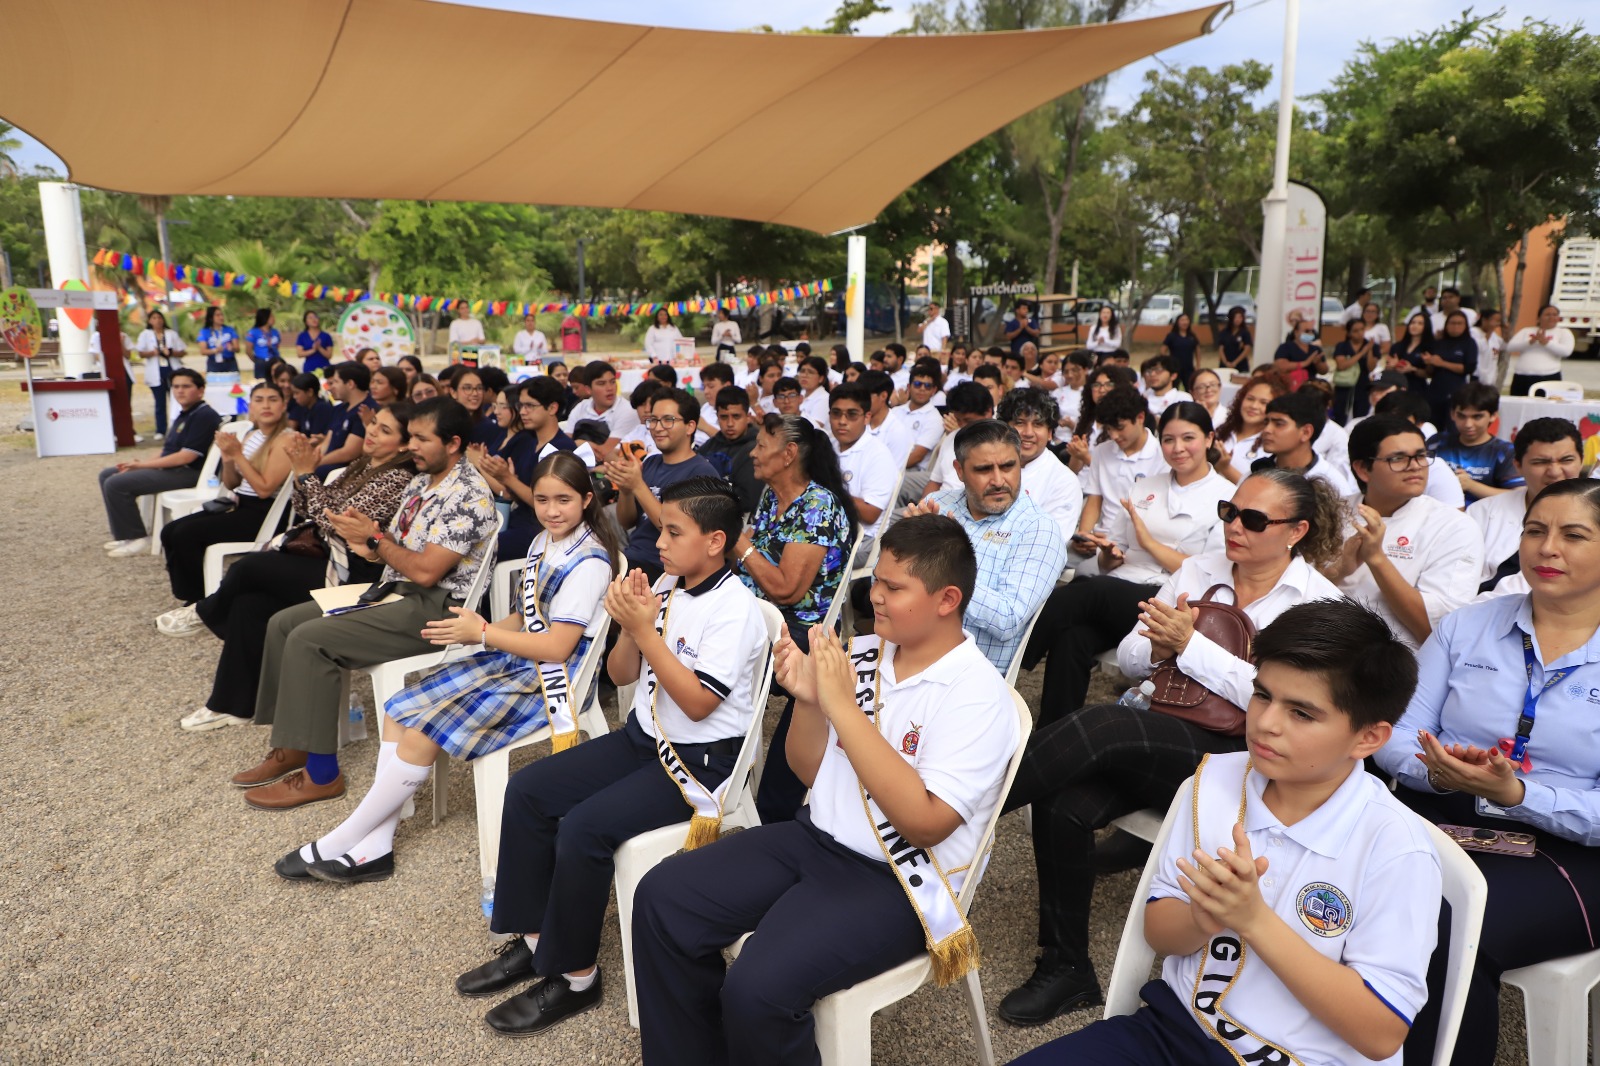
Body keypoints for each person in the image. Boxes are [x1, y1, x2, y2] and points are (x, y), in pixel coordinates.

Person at [632, 513, 1017, 1065]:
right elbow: (809, 768)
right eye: (877, 581)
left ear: (946, 599)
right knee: (662, 899)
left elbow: (926, 823)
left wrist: (837, 703)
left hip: (896, 878)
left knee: (758, 990)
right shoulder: (862, 654)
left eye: (894, 587)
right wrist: (810, 701)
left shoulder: (978, 693)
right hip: (813, 840)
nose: (875, 595)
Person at [1009, 599, 1435, 1066]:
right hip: (1174, 1034)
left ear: (1368, 738)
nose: (1266, 723)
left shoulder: (1398, 847)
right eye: (1263, 695)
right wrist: (1203, 918)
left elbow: (1380, 1033)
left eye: (1303, 714)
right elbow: (1160, 930)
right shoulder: (1214, 780)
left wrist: (1254, 920)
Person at [995, 469, 1347, 1025]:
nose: (1234, 526)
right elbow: (1132, 659)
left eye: (1253, 520)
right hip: (1164, 727)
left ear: (1296, 531)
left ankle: (956, 812)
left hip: (1248, 759)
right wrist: (1159, 646)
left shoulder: (1318, 605)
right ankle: (1067, 967)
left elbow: (1278, 703)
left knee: (1102, 726)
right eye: (1230, 511)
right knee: (1065, 799)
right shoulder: (1199, 569)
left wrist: (1191, 645)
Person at [454, 477, 769, 1038]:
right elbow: (622, 675)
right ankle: (534, 940)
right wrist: (631, 625)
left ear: (716, 540)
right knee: (529, 791)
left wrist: (645, 630)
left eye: (675, 531)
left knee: (583, 828)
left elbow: (697, 706)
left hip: (697, 759)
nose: (661, 542)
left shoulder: (736, 609)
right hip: (642, 738)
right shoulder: (668, 587)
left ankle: (575, 976)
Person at [282, 453, 622, 884]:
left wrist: (481, 636)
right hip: (518, 657)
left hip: (553, 679)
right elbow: (524, 615)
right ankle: (377, 843)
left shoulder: (589, 562)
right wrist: (478, 630)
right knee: (399, 704)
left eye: (564, 500)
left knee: (426, 726)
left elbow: (557, 647)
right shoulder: (545, 541)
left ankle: (342, 838)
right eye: (541, 499)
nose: (552, 510)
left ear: (587, 500)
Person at [1375, 478, 1600, 1065]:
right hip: (1441, 813)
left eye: (1574, 535)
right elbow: (1395, 736)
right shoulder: (1466, 627)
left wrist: (1519, 793)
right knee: (1333, 887)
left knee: (1450, 932)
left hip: (1569, 851)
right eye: (1535, 530)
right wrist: (1442, 772)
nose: (1547, 548)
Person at [231, 397, 498, 810]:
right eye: (409, 436)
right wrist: (367, 542)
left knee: (308, 640)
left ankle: (322, 775)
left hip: (437, 611)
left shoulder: (469, 493)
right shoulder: (421, 482)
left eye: (421, 439)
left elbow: (427, 572)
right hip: (396, 590)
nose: (411, 446)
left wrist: (374, 542)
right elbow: (393, 550)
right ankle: (292, 745)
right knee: (282, 623)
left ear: (453, 443)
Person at [178, 406, 417, 732]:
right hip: (322, 557)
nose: (372, 431)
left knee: (249, 568)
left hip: (353, 572)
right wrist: (301, 473)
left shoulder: (396, 478)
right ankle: (231, 705)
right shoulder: (361, 465)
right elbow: (305, 508)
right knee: (250, 605)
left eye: (385, 430)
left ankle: (204, 612)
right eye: (374, 423)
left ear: (404, 445)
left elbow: (337, 525)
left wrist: (307, 474)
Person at [1021, 401, 1233, 724]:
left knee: (1091, 589)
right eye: (1168, 440)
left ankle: (1015, 656)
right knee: (1074, 636)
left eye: (1188, 438)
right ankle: (1053, 731)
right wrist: (1109, 554)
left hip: (1175, 601)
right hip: (1123, 592)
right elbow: (1113, 556)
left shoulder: (1226, 497)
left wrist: (1148, 543)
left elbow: (1207, 571)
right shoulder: (1145, 486)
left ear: (1209, 438)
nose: (1177, 449)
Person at [903, 420, 1067, 673]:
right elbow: (882, 584)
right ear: (959, 470)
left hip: (968, 672)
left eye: (1008, 466)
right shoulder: (936, 504)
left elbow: (1007, 620)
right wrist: (905, 549)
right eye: (983, 469)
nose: (998, 480)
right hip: (907, 647)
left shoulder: (1038, 530)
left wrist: (941, 563)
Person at [1324, 416, 1483, 649]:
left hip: (1399, 664)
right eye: (1397, 458)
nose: (1415, 466)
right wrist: (1339, 570)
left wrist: (1377, 559)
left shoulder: (1453, 526)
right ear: (1362, 469)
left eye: (1420, 455)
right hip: (1321, 646)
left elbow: (1435, 632)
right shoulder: (1332, 513)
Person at [154, 381, 294, 628]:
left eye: (273, 399)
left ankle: (200, 604)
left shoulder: (286, 439)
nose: (266, 405)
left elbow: (264, 490)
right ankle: (194, 597)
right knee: (170, 531)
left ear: (283, 406)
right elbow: (231, 484)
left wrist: (237, 454)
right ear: (250, 406)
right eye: (259, 400)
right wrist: (229, 459)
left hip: (265, 514)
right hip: (241, 504)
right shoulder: (252, 435)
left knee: (187, 534)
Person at [98, 368, 221, 557]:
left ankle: (138, 538)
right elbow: (168, 451)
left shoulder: (203, 416)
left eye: (186, 386)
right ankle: (125, 534)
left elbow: (186, 457)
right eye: (176, 387)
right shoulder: (186, 413)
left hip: (189, 473)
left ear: (201, 390)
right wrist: (140, 463)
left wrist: (142, 466)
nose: (180, 391)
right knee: (107, 474)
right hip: (175, 469)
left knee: (116, 483)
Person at [607, 388, 719, 581]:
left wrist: (638, 486)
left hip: (664, 568)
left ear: (690, 427)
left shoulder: (702, 473)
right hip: (632, 558)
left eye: (668, 420)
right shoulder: (651, 463)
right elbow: (627, 522)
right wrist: (625, 491)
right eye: (653, 420)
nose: (658, 428)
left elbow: (675, 530)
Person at [478, 376, 583, 563]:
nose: (523, 412)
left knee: (480, 550)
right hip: (514, 519)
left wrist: (508, 478)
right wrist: (502, 477)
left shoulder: (562, 448)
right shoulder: (529, 442)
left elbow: (549, 502)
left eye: (530, 406)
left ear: (552, 408)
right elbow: (515, 492)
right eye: (521, 406)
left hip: (542, 529)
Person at [1469, 417, 1583, 586]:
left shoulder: (1595, 512)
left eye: (1566, 460)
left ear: (1582, 460)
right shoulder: (1483, 513)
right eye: (1540, 462)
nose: (1554, 472)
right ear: (1518, 466)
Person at [1072, 388, 1163, 570]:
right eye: (1109, 429)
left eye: (1120, 428)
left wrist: (1114, 541)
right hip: (1100, 536)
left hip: (1134, 543)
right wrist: (1085, 535)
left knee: (1083, 573)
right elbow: (1094, 501)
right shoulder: (1102, 451)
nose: (1114, 436)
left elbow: (1156, 516)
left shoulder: (1161, 456)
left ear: (1140, 418)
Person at [998, 387, 1082, 546]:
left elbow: (1051, 542)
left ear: (1050, 433)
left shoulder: (1064, 481)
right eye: (1020, 423)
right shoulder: (987, 465)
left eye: (1037, 424)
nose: (1028, 433)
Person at [828, 382, 898, 564]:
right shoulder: (828, 444)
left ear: (867, 417)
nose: (842, 421)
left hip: (862, 539)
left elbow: (870, 513)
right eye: (836, 413)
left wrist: (830, 489)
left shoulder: (877, 454)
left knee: (804, 560)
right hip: (827, 529)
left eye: (851, 414)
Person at [1249, 390, 1359, 495]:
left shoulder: (1332, 483)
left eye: (1279, 424)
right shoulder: (1257, 471)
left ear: (1306, 432)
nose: (1267, 430)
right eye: (1266, 422)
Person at [1429, 382, 1522, 504]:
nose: (1468, 424)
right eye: (1461, 416)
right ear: (1452, 414)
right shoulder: (1436, 442)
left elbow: (1518, 495)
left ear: (1493, 416)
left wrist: (1471, 485)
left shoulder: (1506, 452)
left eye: (1477, 417)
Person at [922, 380, 996, 499]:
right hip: (936, 508)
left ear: (988, 412)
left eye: (968, 420)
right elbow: (935, 482)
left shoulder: (1002, 444)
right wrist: (923, 508)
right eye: (958, 420)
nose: (962, 426)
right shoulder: (952, 437)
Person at [888, 360, 948, 503]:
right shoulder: (895, 412)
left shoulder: (934, 418)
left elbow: (917, 456)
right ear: (909, 387)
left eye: (927, 386)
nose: (922, 389)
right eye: (917, 384)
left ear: (934, 390)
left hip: (911, 471)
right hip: (890, 465)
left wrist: (886, 467)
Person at [1213, 371, 1288, 483]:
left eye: (1264, 402)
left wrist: (1226, 468)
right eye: (1250, 399)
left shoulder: (1273, 444)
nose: (1254, 406)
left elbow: (1260, 489)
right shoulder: (1222, 429)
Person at [696, 386, 761, 513]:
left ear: (748, 417)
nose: (730, 423)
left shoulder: (757, 449)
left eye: (736, 416)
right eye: (724, 417)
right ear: (717, 417)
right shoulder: (709, 446)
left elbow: (747, 500)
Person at [565, 360, 640, 461]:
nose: (610, 388)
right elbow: (564, 444)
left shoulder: (627, 411)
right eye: (601, 383)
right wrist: (578, 444)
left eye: (613, 382)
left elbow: (603, 453)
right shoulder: (580, 407)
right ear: (588, 389)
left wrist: (578, 444)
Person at [315, 361, 376, 477]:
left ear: (350, 384)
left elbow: (350, 452)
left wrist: (316, 463)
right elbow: (327, 441)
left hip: (343, 472)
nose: (332, 387)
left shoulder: (366, 410)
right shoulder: (340, 409)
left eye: (336, 382)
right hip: (326, 464)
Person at [1423, 310, 1480, 429]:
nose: (1455, 326)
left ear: (1466, 326)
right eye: (1452, 323)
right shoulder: (1438, 343)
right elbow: (1430, 371)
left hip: (1456, 389)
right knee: (1432, 424)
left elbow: (1468, 368)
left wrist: (1442, 363)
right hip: (1435, 389)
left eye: (1460, 323)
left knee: (1452, 426)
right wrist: (1429, 362)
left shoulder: (1469, 343)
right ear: (1446, 325)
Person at [1506, 303, 1576, 396]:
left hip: (1549, 376)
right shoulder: (1526, 331)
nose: (1551, 317)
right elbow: (1510, 347)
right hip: (1522, 376)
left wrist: (1546, 343)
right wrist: (1530, 342)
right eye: (1547, 314)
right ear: (1539, 318)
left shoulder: (1563, 332)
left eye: (1555, 315)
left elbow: (1566, 351)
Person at [136, 310, 187, 435]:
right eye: (154, 318)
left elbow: (182, 351)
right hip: (156, 370)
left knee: (177, 400)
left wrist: (171, 352)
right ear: (149, 321)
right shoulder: (145, 334)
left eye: (159, 317)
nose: (157, 320)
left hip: (171, 369)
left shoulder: (171, 334)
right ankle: (161, 430)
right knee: (160, 402)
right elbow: (140, 353)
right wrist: (153, 353)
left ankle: (179, 427)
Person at [855, 369, 914, 467]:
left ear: (883, 396)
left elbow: (893, 474)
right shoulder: (857, 421)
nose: (860, 401)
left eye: (865, 396)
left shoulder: (897, 432)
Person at [1329, 317, 1376, 424]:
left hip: (1362, 386)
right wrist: (1362, 352)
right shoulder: (1342, 346)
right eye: (1355, 331)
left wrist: (1369, 350)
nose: (1360, 333)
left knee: (1361, 416)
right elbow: (1341, 365)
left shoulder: (1371, 346)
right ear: (1349, 333)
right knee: (1340, 415)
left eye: (1362, 329)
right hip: (1344, 387)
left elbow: (1371, 367)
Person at [1270, 312, 1324, 388]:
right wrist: (1305, 363)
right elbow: (1280, 367)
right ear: (1296, 332)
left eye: (1312, 331)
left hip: (1310, 388)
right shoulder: (1285, 347)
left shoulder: (1315, 349)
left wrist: (1318, 363)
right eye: (1306, 331)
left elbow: (1324, 371)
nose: (1310, 333)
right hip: (1290, 387)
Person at [1388, 311, 1435, 395]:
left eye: (1420, 323)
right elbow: (1387, 369)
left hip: (1417, 389)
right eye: (1413, 322)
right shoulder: (1397, 346)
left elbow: (1430, 374)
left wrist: (1412, 369)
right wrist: (1392, 366)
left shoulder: (1429, 348)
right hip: (1396, 388)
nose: (1415, 326)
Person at [1158, 312, 1200, 385]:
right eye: (1182, 320)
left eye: (1186, 320)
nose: (1185, 322)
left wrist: (1198, 365)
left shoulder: (1192, 336)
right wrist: (1167, 363)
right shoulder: (1171, 336)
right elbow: (1162, 350)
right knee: (1173, 387)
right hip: (1175, 368)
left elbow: (1197, 350)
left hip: (1188, 368)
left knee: (1190, 387)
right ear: (1177, 322)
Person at [198, 306, 240, 375]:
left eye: (221, 315)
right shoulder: (204, 332)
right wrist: (215, 350)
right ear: (211, 318)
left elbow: (237, 348)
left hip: (230, 362)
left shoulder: (229, 330)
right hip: (214, 363)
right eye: (217, 315)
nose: (221, 317)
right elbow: (203, 351)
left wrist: (232, 348)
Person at [1472, 308, 1506, 387]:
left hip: (1490, 374)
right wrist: (1489, 333)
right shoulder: (1473, 332)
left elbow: (1504, 347)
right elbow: (1479, 347)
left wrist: (1506, 337)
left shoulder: (1494, 335)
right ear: (1484, 320)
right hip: (1477, 374)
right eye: (1494, 320)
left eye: (1498, 321)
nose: (1497, 324)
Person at [795, 355, 831, 429]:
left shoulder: (825, 398)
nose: (804, 375)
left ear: (821, 378)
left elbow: (815, 427)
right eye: (802, 371)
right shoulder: (799, 394)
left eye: (810, 372)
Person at [1215, 306, 1253, 374]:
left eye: (1240, 317)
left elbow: (1247, 349)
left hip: (1241, 365)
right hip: (1225, 363)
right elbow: (1221, 348)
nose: (1237, 320)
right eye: (1235, 317)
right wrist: (1226, 362)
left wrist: (1235, 362)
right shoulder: (1224, 332)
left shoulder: (1245, 333)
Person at [246, 309, 281, 379]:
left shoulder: (275, 332)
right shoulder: (253, 332)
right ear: (265, 318)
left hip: (275, 360)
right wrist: (256, 361)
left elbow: (277, 346)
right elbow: (248, 350)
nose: (273, 318)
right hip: (261, 361)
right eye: (271, 316)